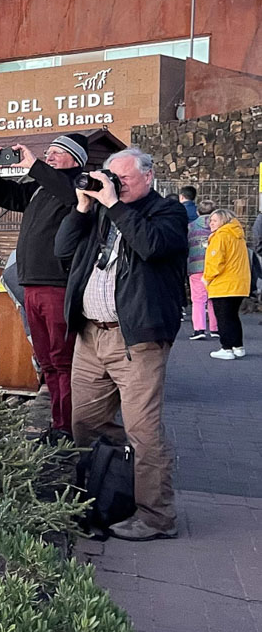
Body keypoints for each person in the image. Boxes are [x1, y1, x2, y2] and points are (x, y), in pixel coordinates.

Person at [56, 146, 187, 541]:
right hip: (91, 335)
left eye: (124, 178)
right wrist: (82, 207)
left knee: (143, 430)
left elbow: (151, 246)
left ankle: (156, 516)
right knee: (85, 425)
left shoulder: (168, 212)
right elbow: (63, 251)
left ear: (148, 177)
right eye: (112, 177)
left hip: (137, 339)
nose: (115, 185)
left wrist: (113, 204)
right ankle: (100, 498)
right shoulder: (99, 214)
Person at [0, 135, 85, 437]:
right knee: (47, 360)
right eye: (47, 153)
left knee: (63, 360)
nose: (48, 156)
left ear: (75, 159)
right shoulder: (40, 187)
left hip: (57, 285)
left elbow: (71, 196)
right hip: (31, 285)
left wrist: (36, 165)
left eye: (56, 153)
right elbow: (5, 196)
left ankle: (66, 427)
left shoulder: (81, 183)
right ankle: (57, 421)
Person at [203, 207, 250, 360]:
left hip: (223, 283)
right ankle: (238, 346)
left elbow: (215, 261)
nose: (211, 223)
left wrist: (207, 278)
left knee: (223, 317)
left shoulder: (220, 236)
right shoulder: (238, 236)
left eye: (215, 220)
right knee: (233, 316)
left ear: (223, 220)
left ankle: (226, 348)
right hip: (239, 283)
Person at [186, 199, 218, 340]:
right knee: (213, 298)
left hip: (196, 266)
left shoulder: (191, 227)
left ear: (198, 211)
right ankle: (215, 328)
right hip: (215, 267)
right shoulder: (218, 227)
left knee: (198, 299)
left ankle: (199, 329)